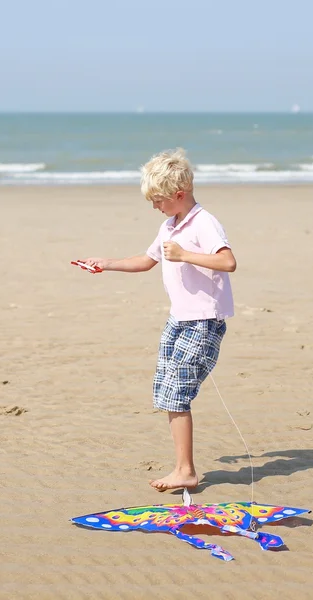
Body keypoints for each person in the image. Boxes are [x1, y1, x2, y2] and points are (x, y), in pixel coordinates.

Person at [81, 148, 236, 492]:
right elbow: (146, 260)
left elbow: (227, 262)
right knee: (167, 391)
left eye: (159, 200)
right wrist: (105, 263)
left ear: (179, 195)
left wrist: (185, 255)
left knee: (178, 392)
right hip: (178, 321)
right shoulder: (169, 225)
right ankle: (183, 466)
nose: (155, 207)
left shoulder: (204, 223)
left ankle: (186, 470)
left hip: (203, 321)